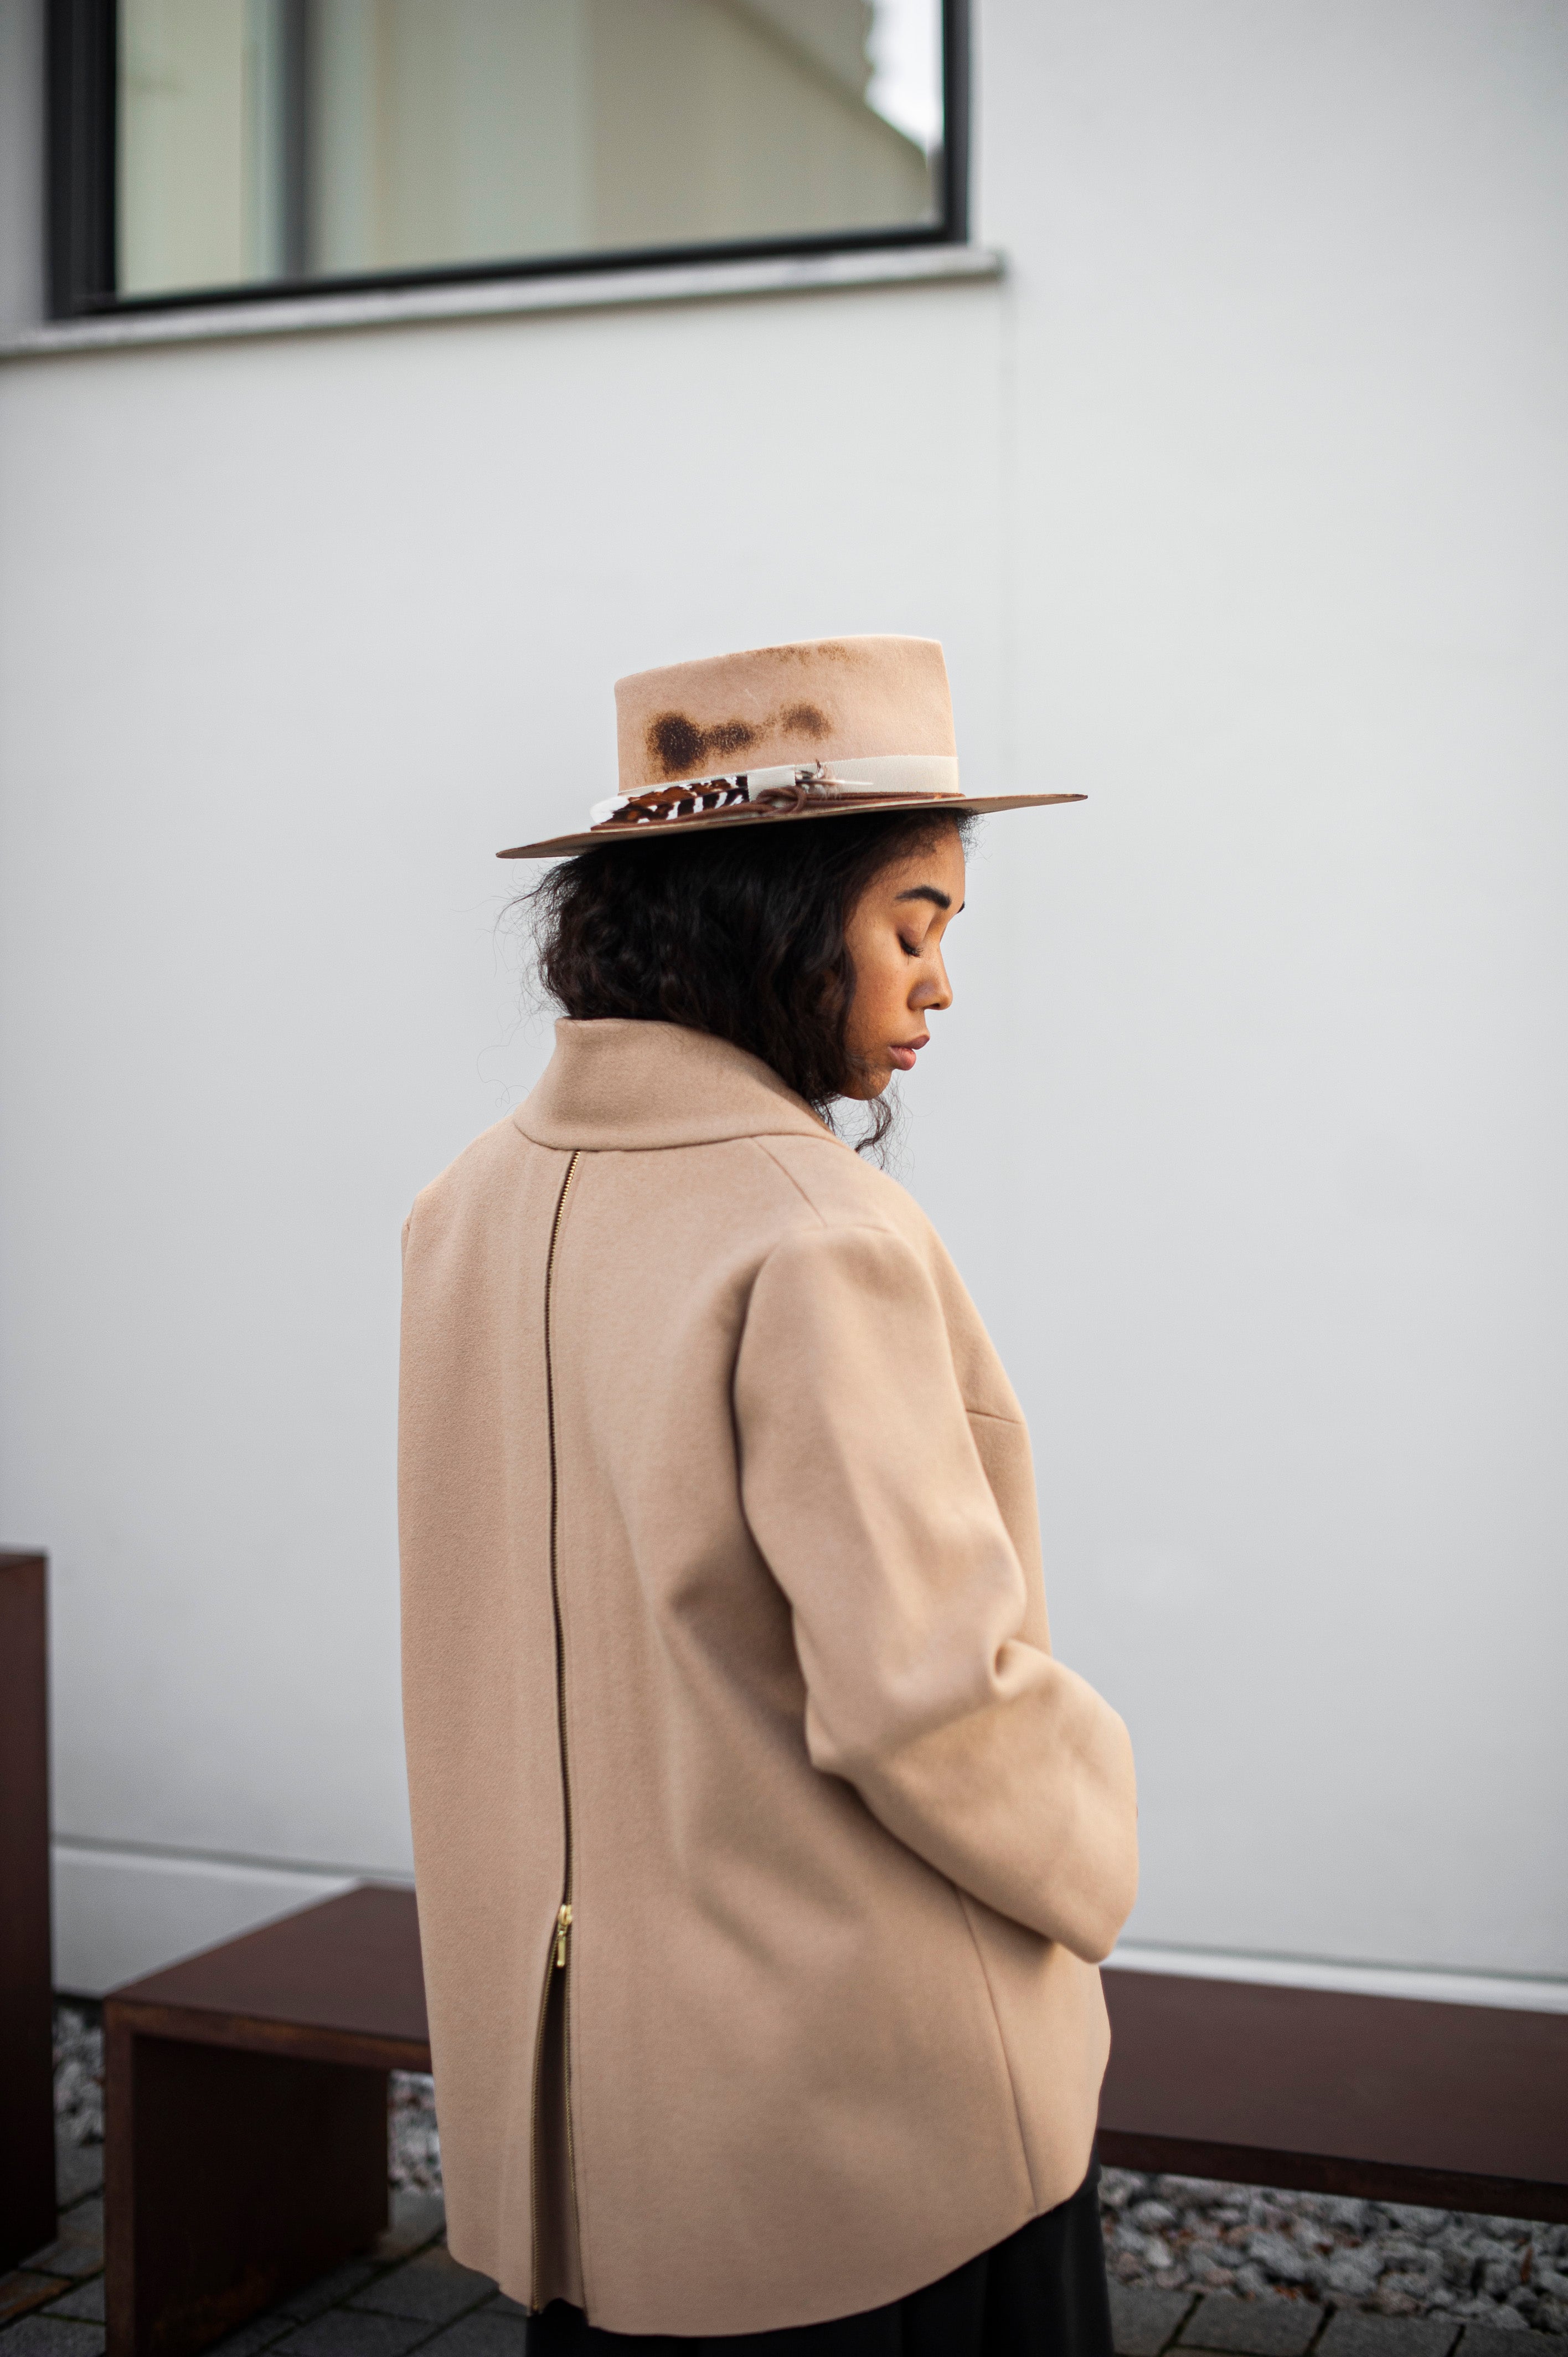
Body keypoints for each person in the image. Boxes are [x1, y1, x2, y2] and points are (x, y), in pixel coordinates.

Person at [398, 636, 1139, 2354]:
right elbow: (927, 1698)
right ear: (780, 921)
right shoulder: (818, 1240)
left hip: (589, 2110)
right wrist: (1095, 1847)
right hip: (859, 2126)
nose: (941, 987)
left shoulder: (460, 1213)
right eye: (915, 927)